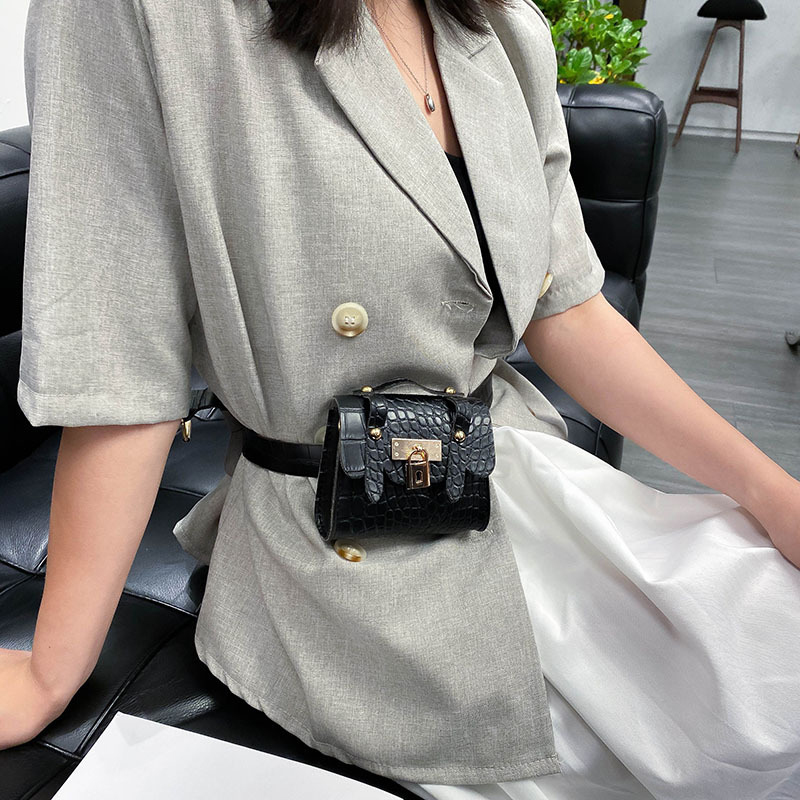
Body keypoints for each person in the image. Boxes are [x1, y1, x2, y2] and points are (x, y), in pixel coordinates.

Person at [3, 0, 799, 797]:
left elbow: (566, 308)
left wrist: (771, 491)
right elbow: (120, 366)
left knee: (763, 643)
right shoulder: (143, 15)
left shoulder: (501, 26)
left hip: (506, 470)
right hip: (339, 551)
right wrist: (51, 669)